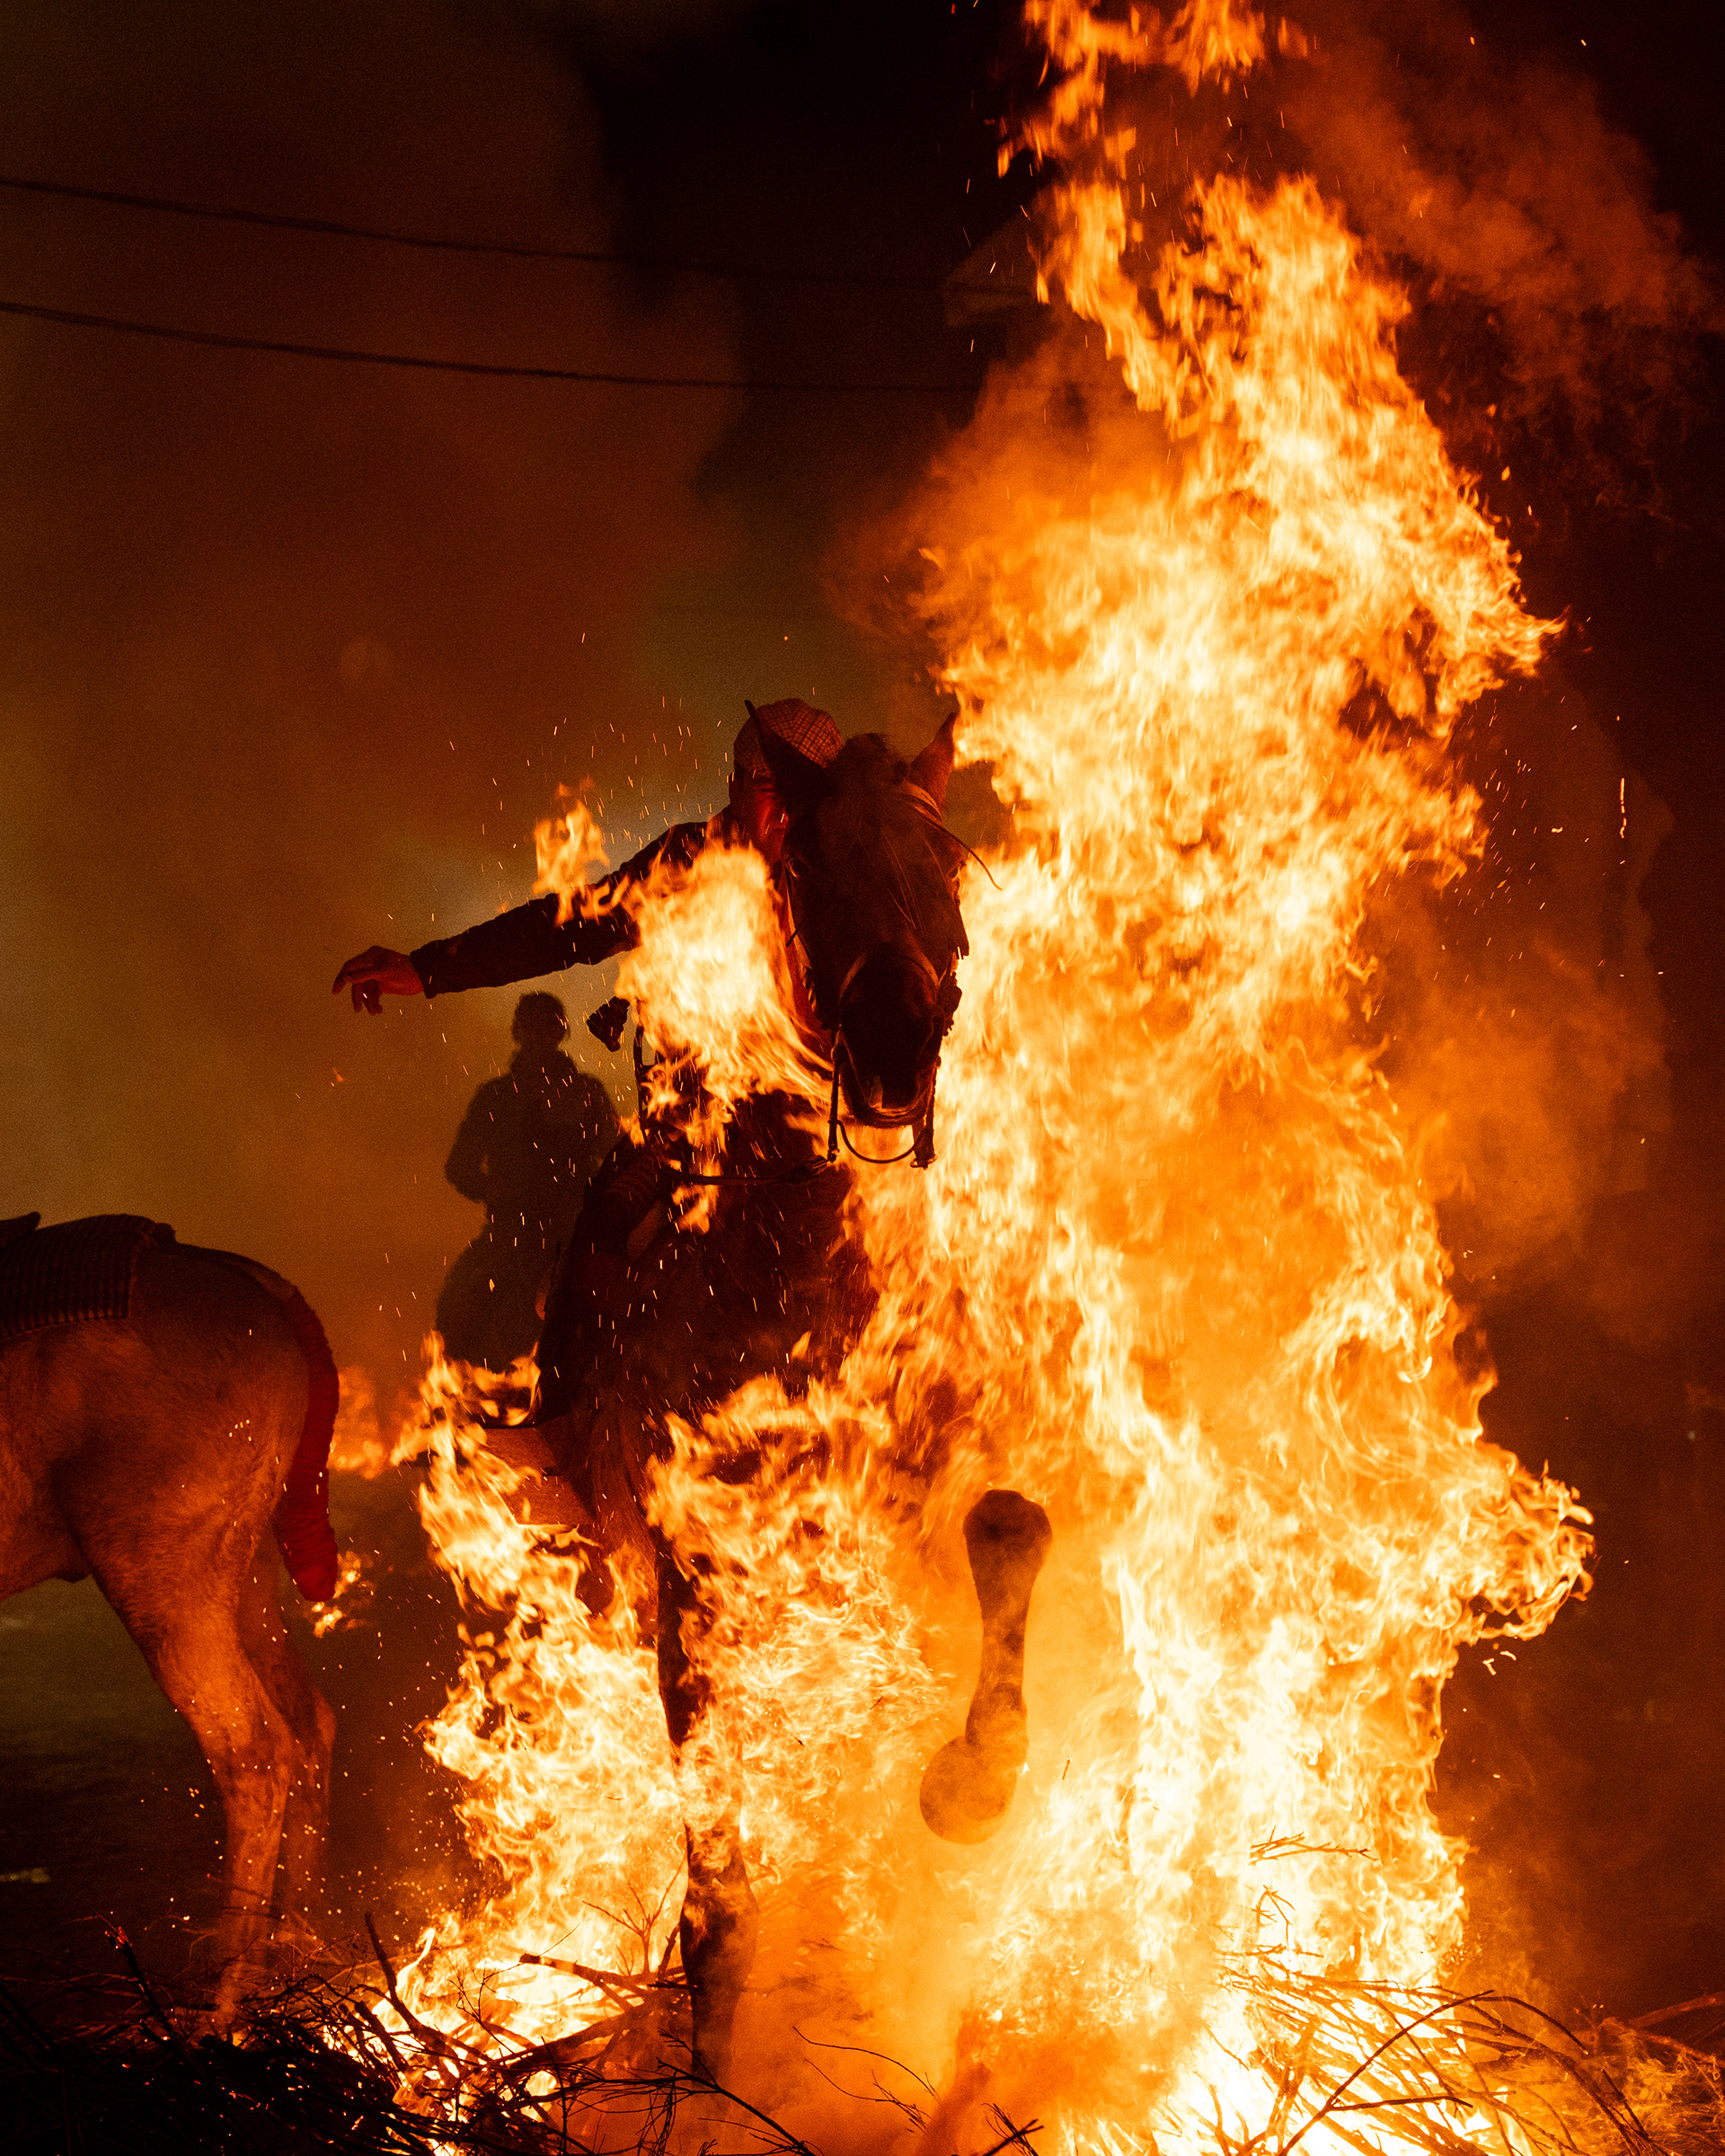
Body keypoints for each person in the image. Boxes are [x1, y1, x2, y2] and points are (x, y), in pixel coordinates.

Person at [435, 992, 618, 1372]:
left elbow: (616, 1159)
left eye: (545, 1027)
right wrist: (496, 1192)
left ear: (559, 1033)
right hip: (510, 1233)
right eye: (533, 1027)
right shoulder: (497, 1097)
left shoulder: (583, 1094)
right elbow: (459, 1167)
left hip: (572, 1238)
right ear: (519, 1031)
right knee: (458, 1309)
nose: (539, 1036)